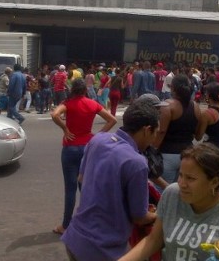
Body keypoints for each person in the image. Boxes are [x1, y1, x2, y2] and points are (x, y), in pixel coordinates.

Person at [118, 143, 219, 261]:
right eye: (180, 175)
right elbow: (154, 240)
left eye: (190, 178)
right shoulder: (171, 195)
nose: (182, 183)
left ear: (214, 182)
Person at [61, 100, 159, 261]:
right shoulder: (137, 162)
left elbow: (81, 178)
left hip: (75, 237)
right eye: (156, 133)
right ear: (147, 130)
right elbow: (139, 217)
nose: (155, 139)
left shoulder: (98, 140)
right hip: (102, 248)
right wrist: (157, 216)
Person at [51, 78, 117, 236]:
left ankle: (66, 225)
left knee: (70, 189)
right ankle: (91, 221)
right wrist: (98, 135)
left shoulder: (68, 103)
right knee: (86, 187)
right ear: (85, 90)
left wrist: (65, 129)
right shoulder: (92, 103)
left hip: (70, 148)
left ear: (73, 89)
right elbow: (112, 120)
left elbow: (55, 115)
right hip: (88, 147)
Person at [156, 74, 202, 185]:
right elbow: (197, 132)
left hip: (168, 153)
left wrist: (152, 150)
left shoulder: (167, 106)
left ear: (172, 87)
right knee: (182, 190)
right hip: (188, 154)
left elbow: (161, 131)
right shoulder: (195, 106)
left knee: (162, 190)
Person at [195, 82, 219, 155]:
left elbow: (198, 137)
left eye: (206, 93)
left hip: (211, 152)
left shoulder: (206, 114)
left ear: (209, 95)